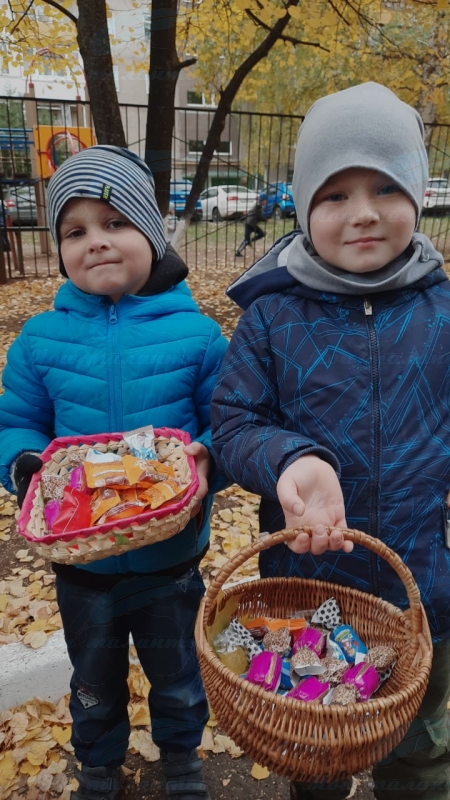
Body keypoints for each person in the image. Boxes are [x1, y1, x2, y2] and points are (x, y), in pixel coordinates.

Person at [211, 82, 450, 800]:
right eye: (336, 194)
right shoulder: (272, 318)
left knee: (422, 749)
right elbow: (234, 424)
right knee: (315, 752)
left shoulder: (444, 312)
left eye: (385, 187)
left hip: (425, 590)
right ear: (303, 204)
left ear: (418, 192)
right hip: (310, 590)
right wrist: (292, 458)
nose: (364, 212)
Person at [0, 145, 228, 800]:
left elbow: (229, 422)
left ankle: (181, 759)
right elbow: (18, 422)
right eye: (75, 231)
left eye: (116, 222)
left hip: (170, 559)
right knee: (93, 679)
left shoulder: (197, 336)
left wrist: (208, 456)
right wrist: (25, 466)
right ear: (60, 249)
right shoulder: (40, 340)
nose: (96, 241)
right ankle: (99, 763)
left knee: (177, 674)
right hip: (83, 565)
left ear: (152, 233)